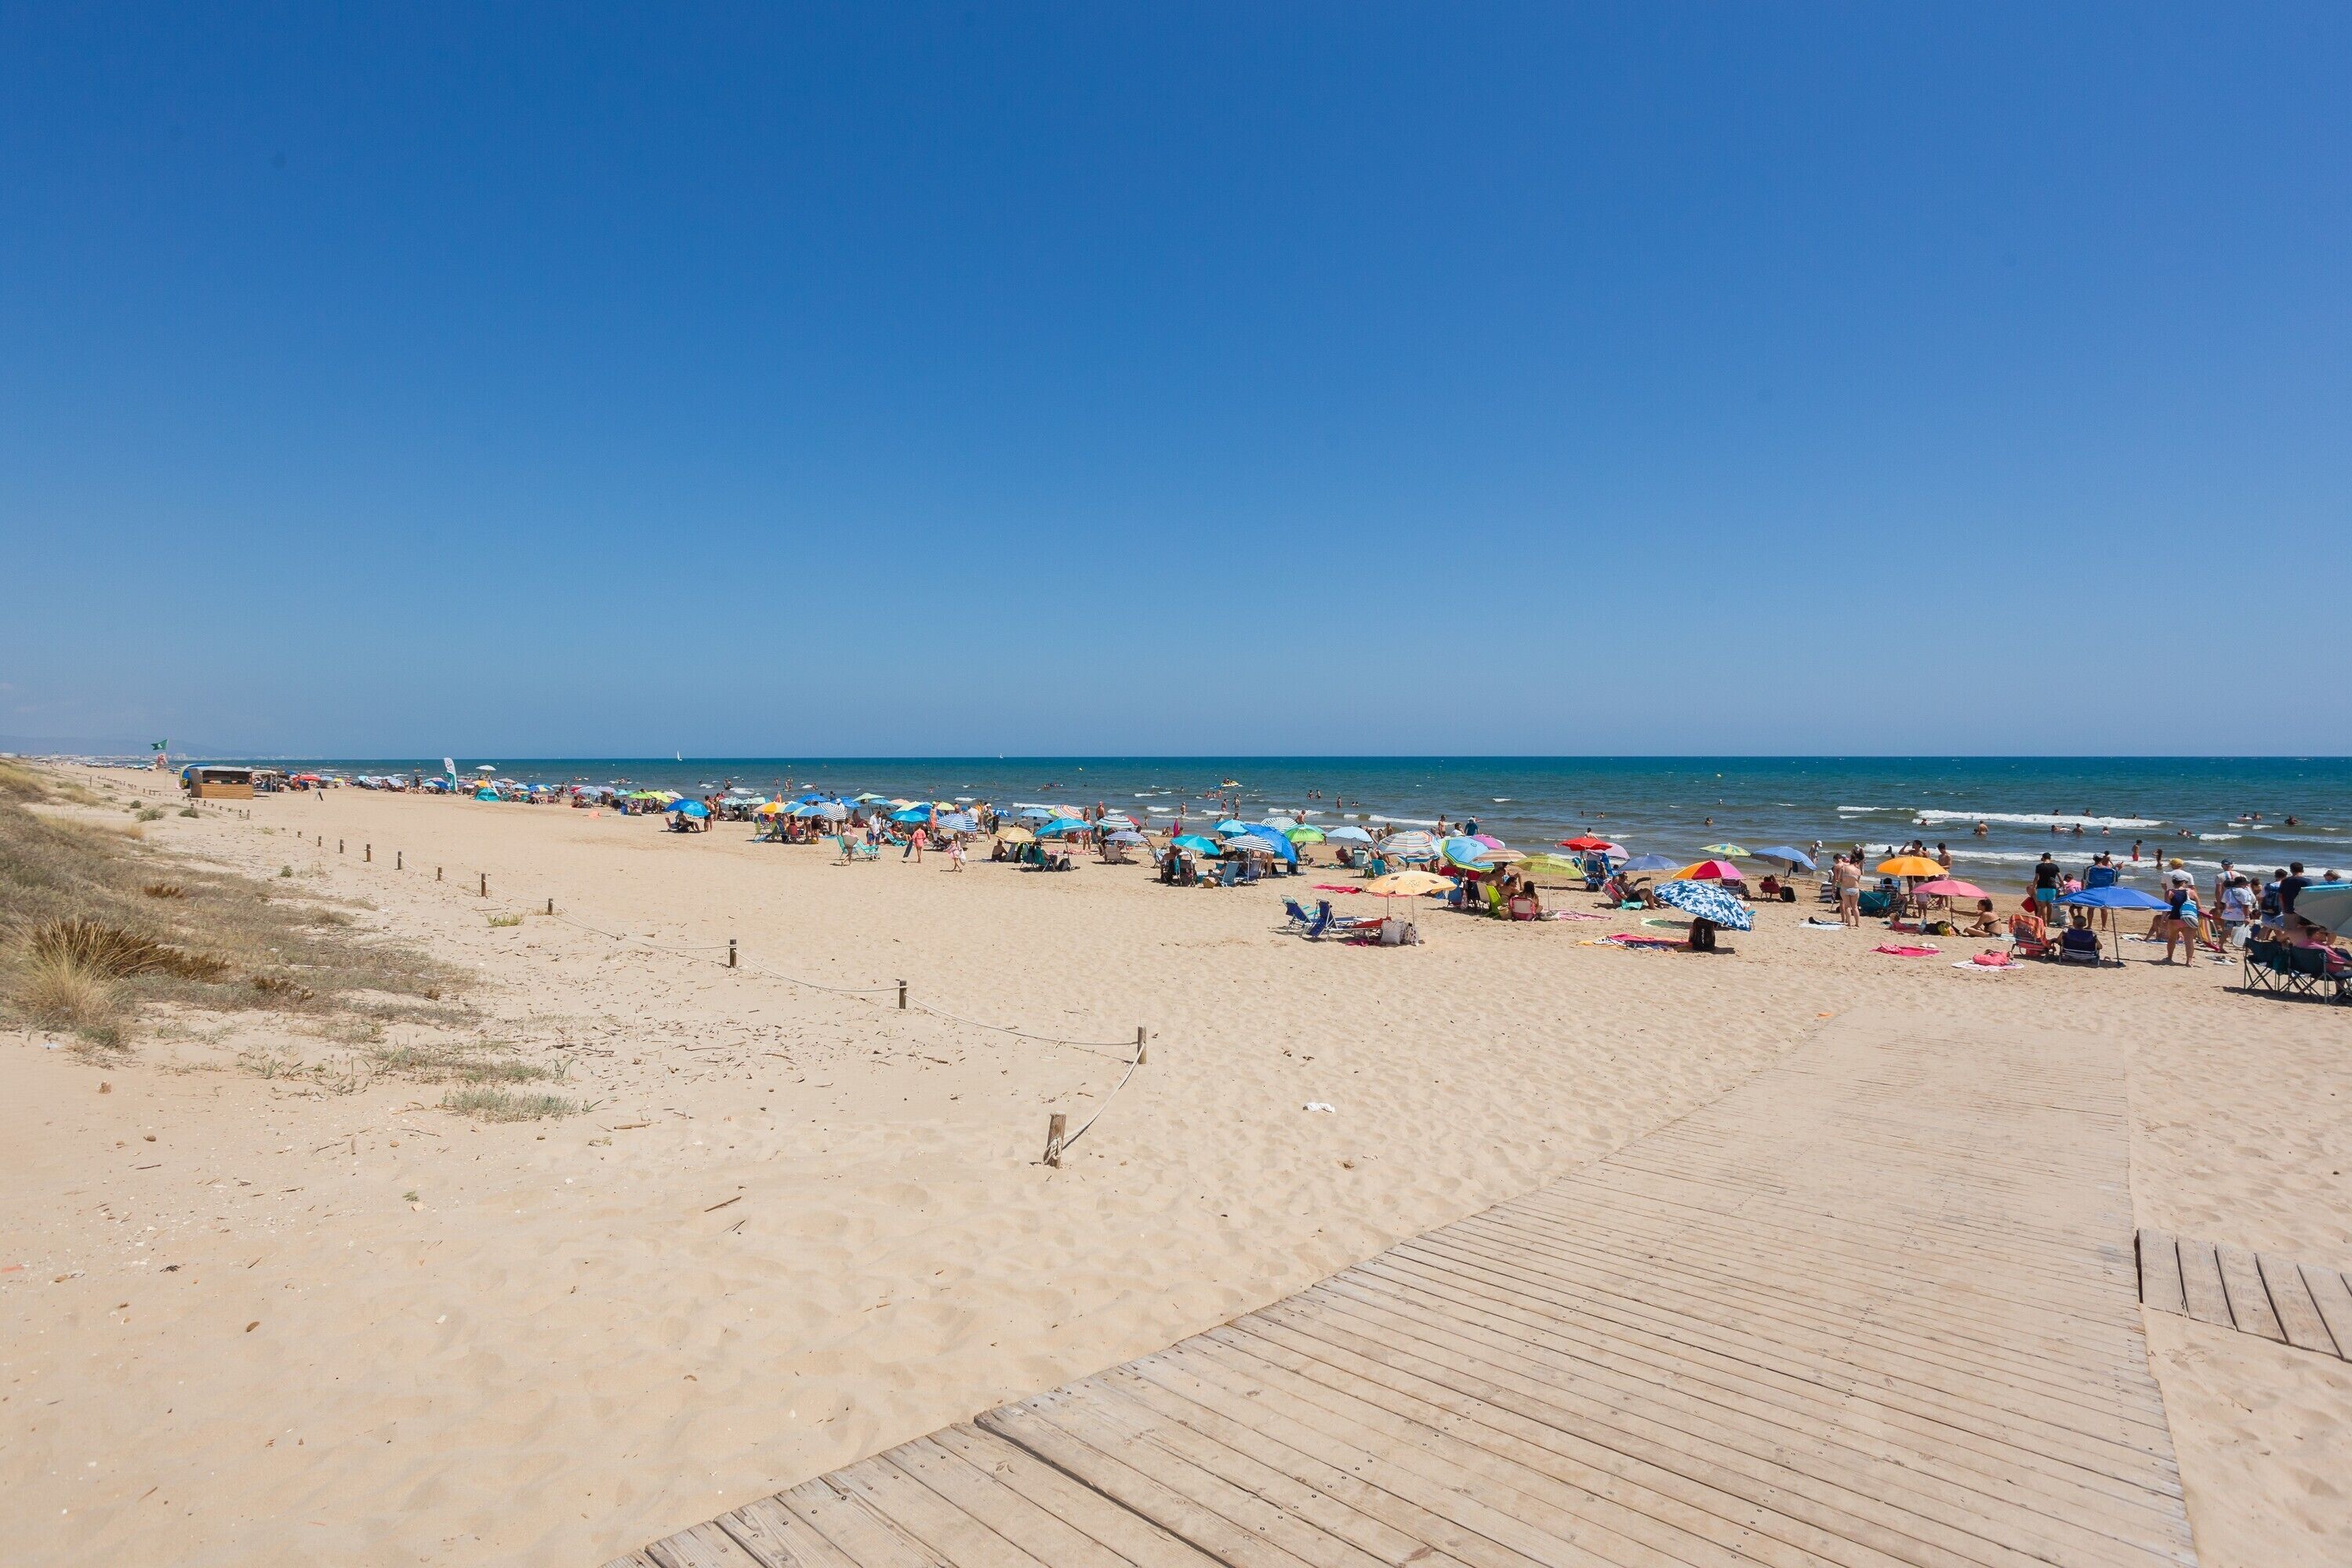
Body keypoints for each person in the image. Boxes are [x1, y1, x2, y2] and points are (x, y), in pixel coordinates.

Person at [2163, 877, 2202, 965]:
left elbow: (2167, 907)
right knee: (2189, 941)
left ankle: (2169, 958)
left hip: (2174, 919)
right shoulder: (2191, 892)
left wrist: (2164, 918)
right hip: (2188, 919)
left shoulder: (2169, 892)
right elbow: (2199, 906)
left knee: (2172, 939)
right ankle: (2189, 961)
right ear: (2183, 882)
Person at [1833, 854, 1862, 927]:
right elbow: (1858, 881)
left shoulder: (1844, 868)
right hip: (1855, 889)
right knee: (1855, 907)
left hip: (1845, 888)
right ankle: (1857, 924)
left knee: (1847, 906)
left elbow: (1839, 879)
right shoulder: (1858, 871)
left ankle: (1849, 923)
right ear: (1856, 863)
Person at [2032, 853, 2061, 923]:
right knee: (2049, 906)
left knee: (2043, 907)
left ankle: (2044, 923)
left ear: (2043, 858)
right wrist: (2064, 887)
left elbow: (2036, 878)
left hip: (2041, 888)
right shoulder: (2055, 866)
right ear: (2050, 858)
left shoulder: (2039, 866)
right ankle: (2048, 922)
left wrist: (2033, 887)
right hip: (2052, 888)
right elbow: (2060, 878)